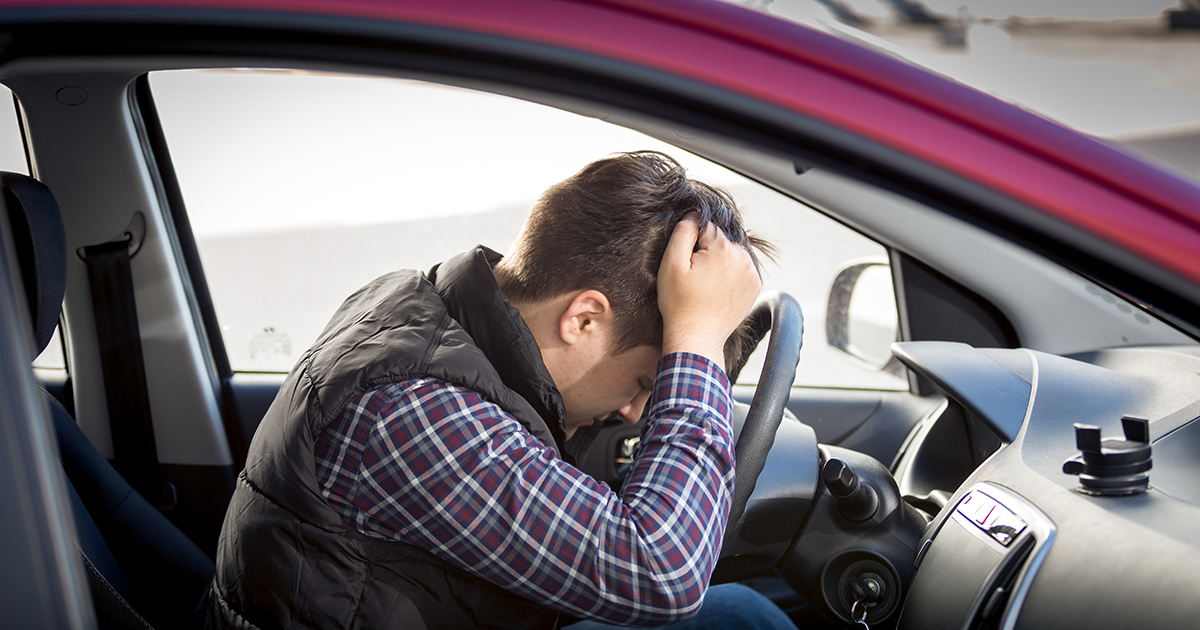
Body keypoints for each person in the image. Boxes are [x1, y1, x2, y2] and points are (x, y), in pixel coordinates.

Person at [207, 151, 796, 630]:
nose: (637, 411)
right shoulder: (410, 410)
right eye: (647, 381)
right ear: (583, 319)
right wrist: (692, 344)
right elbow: (663, 576)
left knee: (743, 614)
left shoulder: (422, 306)